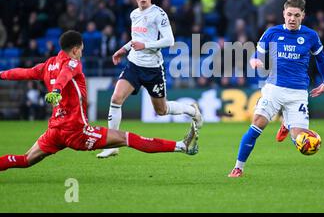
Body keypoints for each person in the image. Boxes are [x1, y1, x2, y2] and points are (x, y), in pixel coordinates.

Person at [0, 31, 199, 172]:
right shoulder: (73, 63)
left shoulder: (48, 65)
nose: (82, 52)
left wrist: (2, 74)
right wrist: (57, 90)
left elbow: (22, 72)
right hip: (77, 132)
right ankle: (181, 146)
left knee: (25, 160)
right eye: (82, 49)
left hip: (54, 131)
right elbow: (66, 74)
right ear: (76, 50)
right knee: (126, 138)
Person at [228, 0, 324, 178]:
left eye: (296, 15)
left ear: (303, 16)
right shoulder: (272, 32)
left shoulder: (310, 35)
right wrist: (255, 61)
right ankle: (238, 167)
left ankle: (287, 124)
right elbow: (258, 53)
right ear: (283, 13)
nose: (292, 18)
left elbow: (321, 59)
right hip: (274, 89)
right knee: (256, 125)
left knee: (301, 143)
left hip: (298, 92)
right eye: (289, 14)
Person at [97, 0, 202, 158]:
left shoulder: (159, 14)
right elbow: (135, 39)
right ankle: (112, 144)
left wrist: (144, 45)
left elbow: (169, 40)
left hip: (153, 69)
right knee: (116, 98)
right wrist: (124, 49)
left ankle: (192, 110)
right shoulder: (134, 14)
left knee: (161, 110)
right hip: (134, 65)